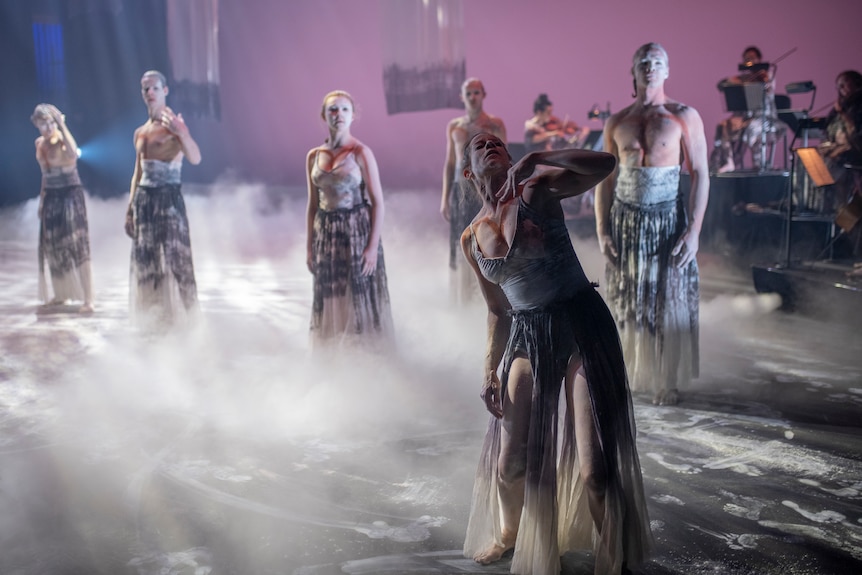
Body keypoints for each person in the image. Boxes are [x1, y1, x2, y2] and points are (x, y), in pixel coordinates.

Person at [460, 133, 651, 575]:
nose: (490, 145)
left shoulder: (535, 191)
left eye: (497, 142)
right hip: (528, 334)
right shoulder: (472, 237)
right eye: (479, 145)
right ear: (469, 170)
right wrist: (490, 370)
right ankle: (510, 535)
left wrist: (540, 157)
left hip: (580, 323)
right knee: (509, 465)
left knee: (596, 472)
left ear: (508, 157)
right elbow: (496, 309)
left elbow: (605, 163)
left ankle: (614, 559)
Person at [596, 43, 709, 406]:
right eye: (644, 61)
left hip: (667, 220)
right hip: (626, 220)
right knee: (628, 298)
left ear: (667, 71)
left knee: (666, 300)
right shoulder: (617, 121)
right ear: (633, 71)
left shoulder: (683, 115)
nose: (650, 66)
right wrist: (602, 230)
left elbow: (702, 174)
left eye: (658, 61)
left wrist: (693, 232)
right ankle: (629, 373)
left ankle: (666, 379)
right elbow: (605, 180)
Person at [305, 90, 394, 349]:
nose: (338, 115)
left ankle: (364, 352)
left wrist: (372, 248)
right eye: (333, 109)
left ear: (353, 115)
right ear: (324, 115)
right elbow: (312, 205)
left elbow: (378, 202)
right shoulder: (313, 155)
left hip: (356, 230)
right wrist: (309, 246)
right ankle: (333, 351)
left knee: (358, 293)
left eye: (344, 109)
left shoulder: (361, 152)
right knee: (331, 293)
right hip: (326, 231)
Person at [125, 70, 201, 327]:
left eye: (154, 88)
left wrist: (181, 132)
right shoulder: (140, 132)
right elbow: (137, 172)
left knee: (177, 259)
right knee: (147, 261)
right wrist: (130, 209)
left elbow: (195, 157)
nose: (149, 93)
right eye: (145, 89)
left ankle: (192, 321)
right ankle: (155, 321)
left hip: (168, 200)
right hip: (144, 201)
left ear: (165, 91)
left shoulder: (174, 126)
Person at [441, 78, 507, 303]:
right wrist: (444, 198)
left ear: (483, 94)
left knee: (486, 238)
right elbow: (450, 163)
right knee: (463, 241)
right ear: (462, 96)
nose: (472, 97)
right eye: (468, 93)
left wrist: (503, 192)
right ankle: (464, 297)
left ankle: (490, 295)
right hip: (461, 188)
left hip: (486, 187)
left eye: (476, 92)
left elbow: (504, 160)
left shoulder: (495, 124)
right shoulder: (455, 126)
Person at [32, 103, 94, 313]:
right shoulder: (39, 143)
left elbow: (74, 154)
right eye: (44, 124)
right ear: (37, 124)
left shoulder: (63, 141)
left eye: (51, 123)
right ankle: (61, 294)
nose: (48, 128)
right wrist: (42, 201)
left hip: (70, 194)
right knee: (54, 247)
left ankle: (88, 298)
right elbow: (44, 176)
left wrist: (61, 124)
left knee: (77, 246)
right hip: (51, 195)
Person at [711, 46, 783, 172]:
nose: (749, 61)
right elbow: (721, 85)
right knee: (723, 125)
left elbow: (769, 87)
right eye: (746, 59)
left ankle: (760, 165)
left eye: (752, 58)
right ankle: (727, 162)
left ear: (759, 59)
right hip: (746, 119)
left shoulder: (766, 76)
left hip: (766, 119)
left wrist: (762, 78)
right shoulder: (742, 79)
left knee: (752, 128)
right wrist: (735, 80)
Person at [524, 93, 590, 153]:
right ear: (539, 112)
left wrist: (581, 136)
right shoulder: (530, 126)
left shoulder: (549, 127)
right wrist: (554, 133)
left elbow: (565, 148)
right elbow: (531, 140)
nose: (551, 116)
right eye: (548, 113)